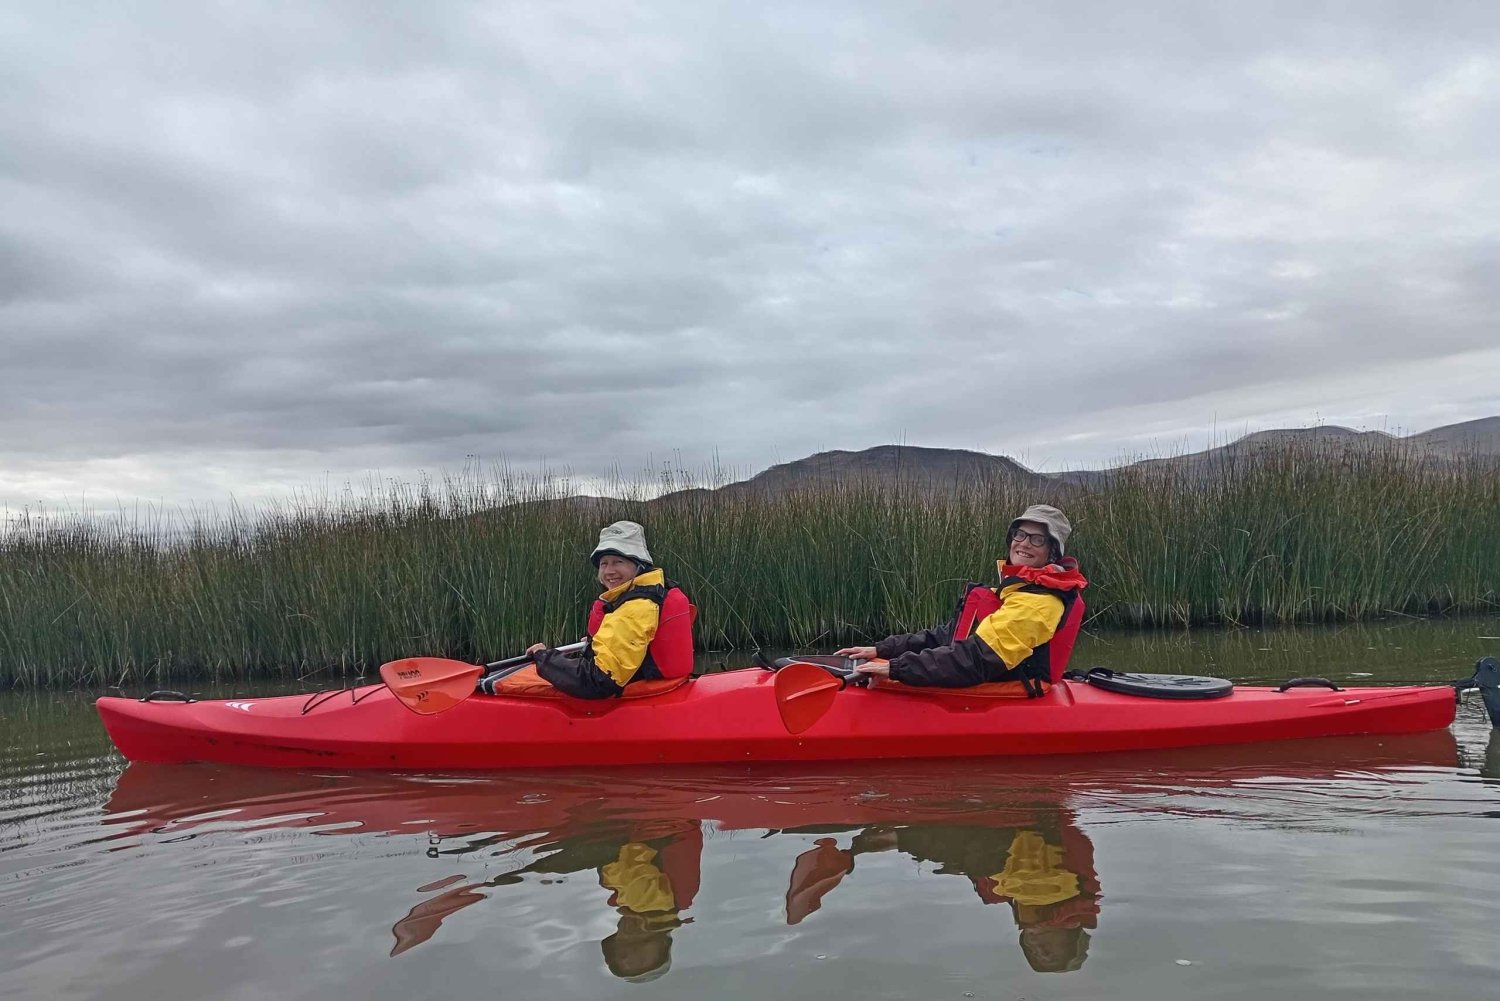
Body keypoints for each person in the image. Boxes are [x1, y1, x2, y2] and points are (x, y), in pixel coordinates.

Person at [834, 504, 1087, 694]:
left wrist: (896, 669)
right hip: (973, 671)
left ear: (1052, 552)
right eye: (1020, 535)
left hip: (1003, 687)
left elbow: (977, 659)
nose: (1024, 544)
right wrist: (884, 649)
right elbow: (949, 636)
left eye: (1037, 539)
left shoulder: (1039, 604)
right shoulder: (1016, 590)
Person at [524, 520, 696, 699]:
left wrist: (544, 657)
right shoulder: (645, 594)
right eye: (604, 563)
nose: (609, 571)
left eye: (618, 562)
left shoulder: (636, 608)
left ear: (639, 566)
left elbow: (597, 681)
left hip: (638, 702)